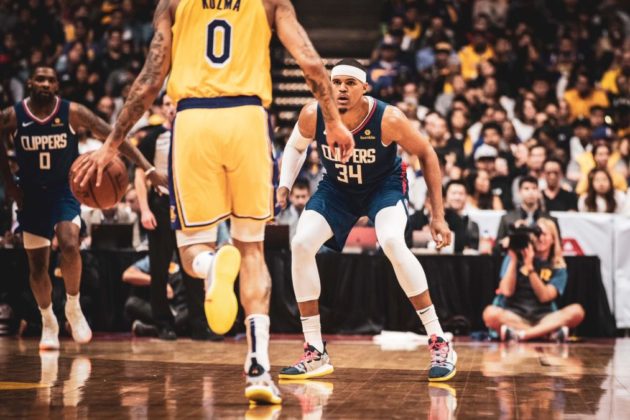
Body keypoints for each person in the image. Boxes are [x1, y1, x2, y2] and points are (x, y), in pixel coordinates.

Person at [73, 0, 354, 405]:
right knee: (252, 249)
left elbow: (150, 79)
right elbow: (311, 63)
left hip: (193, 121)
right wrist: (334, 120)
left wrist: (112, 143)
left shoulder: (173, 3)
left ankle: (210, 266)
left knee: (191, 251)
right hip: (248, 119)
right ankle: (258, 367)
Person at [276, 59, 456, 382]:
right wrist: (284, 184)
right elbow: (295, 146)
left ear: (365, 88)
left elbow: (427, 153)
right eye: (336, 82)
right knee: (300, 244)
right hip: (337, 189)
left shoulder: (388, 118)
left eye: (350, 83)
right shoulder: (313, 113)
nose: (342, 89)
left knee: (392, 242)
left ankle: (440, 340)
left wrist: (438, 216)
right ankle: (315, 350)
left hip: (382, 188)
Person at [0, 66, 163, 351]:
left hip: (64, 190)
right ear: (30, 83)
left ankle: (73, 307)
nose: (46, 84)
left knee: (69, 243)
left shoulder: (72, 112)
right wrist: (9, 184)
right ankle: (48, 320)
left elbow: (114, 136)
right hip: (30, 194)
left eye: (51, 80)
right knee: (37, 266)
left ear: (57, 86)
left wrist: (147, 168)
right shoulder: (13, 116)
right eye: (40, 79)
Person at [135, 93, 217, 341]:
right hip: (161, 205)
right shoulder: (152, 137)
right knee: (159, 268)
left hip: (189, 205)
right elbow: (139, 175)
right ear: (161, 108)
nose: (171, 108)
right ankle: (163, 324)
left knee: (192, 265)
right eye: (167, 104)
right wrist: (145, 209)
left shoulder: (195, 135)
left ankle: (199, 325)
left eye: (175, 104)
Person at [483, 218, 585, 342]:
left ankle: (522, 335)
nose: (540, 238)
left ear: (553, 239)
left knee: (577, 311)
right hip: (515, 315)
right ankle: (544, 334)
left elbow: (545, 297)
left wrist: (530, 268)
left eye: (544, 234)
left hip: (544, 316)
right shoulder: (515, 256)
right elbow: (506, 291)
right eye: (537, 234)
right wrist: (514, 260)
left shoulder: (558, 266)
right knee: (490, 313)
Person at [443, 180, 479, 253]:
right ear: (445, 196)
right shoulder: (437, 219)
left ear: (467, 197)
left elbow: (473, 248)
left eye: (461, 194)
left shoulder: (471, 224)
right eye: (453, 193)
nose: (457, 197)